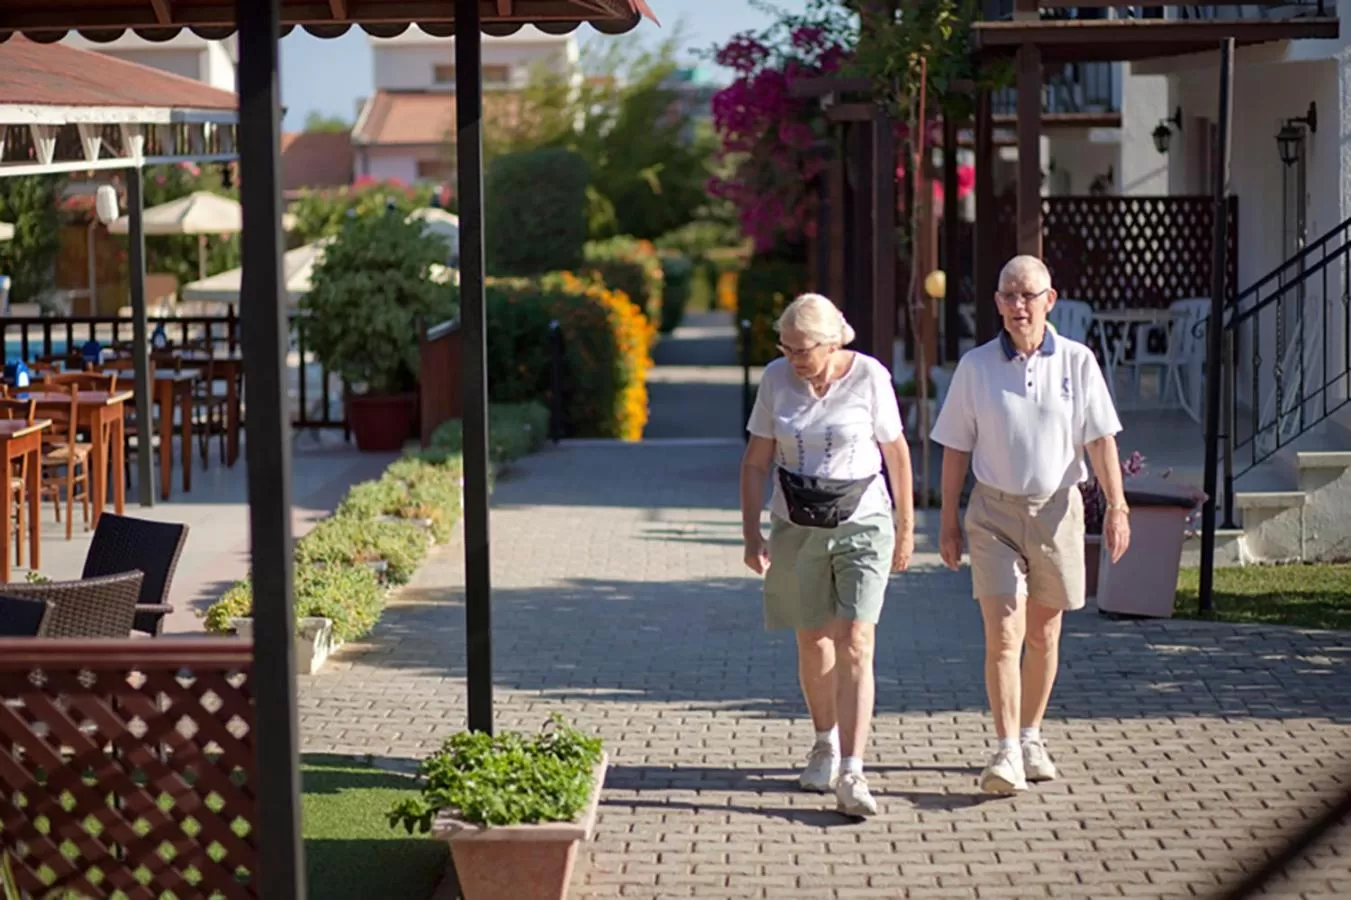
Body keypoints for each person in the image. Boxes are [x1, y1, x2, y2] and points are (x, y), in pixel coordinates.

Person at [931, 255, 1131, 794]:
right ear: (997, 303)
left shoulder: (1077, 361)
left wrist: (1117, 505)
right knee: (1004, 633)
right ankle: (1004, 751)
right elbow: (954, 448)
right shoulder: (975, 368)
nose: (1019, 306)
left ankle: (1031, 733)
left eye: (1029, 295)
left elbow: (1100, 439)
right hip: (993, 513)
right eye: (1009, 296)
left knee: (1043, 635)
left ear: (1050, 300)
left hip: (1058, 509)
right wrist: (947, 521)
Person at [739, 292, 916, 817]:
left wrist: (906, 530)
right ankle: (824, 743)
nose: (795, 358)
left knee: (856, 639)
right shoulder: (775, 379)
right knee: (813, 638)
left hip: (863, 519)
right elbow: (755, 463)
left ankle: (854, 771)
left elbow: (897, 454)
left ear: (834, 340)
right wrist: (752, 535)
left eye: (804, 348)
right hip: (796, 523)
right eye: (787, 347)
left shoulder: (870, 377)